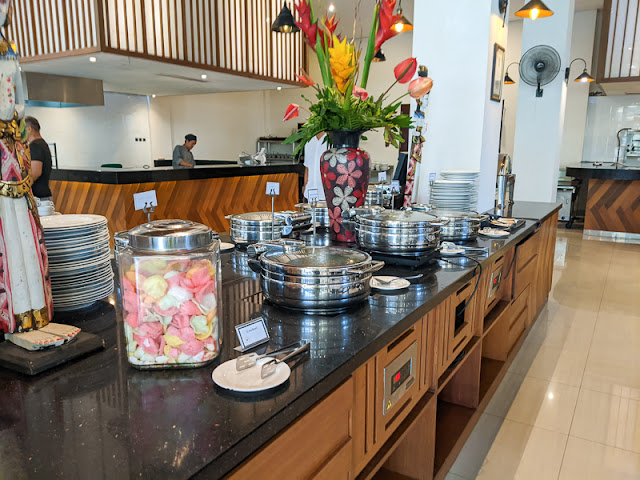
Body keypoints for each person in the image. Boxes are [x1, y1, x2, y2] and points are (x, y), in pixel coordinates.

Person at [0, 5, 53, 334]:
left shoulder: (9, 49)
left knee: (23, 234)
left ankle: (31, 310)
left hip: (14, 165)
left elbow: (14, 100)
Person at [25, 116, 53, 201]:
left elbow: (35, 173)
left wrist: (22, 188)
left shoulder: (35, 146)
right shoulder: (42, 144)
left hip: (39, 198)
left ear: (29, 129)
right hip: (43, 196)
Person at [303, 132, 327, 201]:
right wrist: (305, 189)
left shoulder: (330, 140)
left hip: (325, 195)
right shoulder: (309, 141)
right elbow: (307, 168)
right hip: (309, 194)